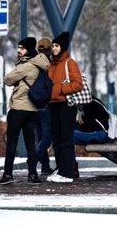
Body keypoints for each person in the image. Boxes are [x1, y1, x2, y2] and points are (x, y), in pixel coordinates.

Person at [0, 37, 49, 185]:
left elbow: (8, 79)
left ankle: (8, 174)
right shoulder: (40, 64)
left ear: (27, 49)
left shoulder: (26, 65)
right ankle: (32, 174)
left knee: (12, 143)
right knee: (30, 143)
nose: (18, 50)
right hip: (32, 109)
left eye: (21, 48)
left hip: (19, 108)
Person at [47, 31, 83, 184]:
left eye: (56, 46)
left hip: (66, 105)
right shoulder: (52, 65)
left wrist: (61, 89)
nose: (53, 48)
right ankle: (61, 169)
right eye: (53, 46)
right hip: (53, 105)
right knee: (56, 139)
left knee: (65, 139)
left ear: (62, 47)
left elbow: (78, 83)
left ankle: (67, 172)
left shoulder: (70, 63)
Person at [34, 38, 55, 175]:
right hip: (47, 105)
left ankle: (45, 166)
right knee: (48, 136)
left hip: (34, 104)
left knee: (41, 137)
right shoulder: (50, 65)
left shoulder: (33, 62)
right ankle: (34, 158)